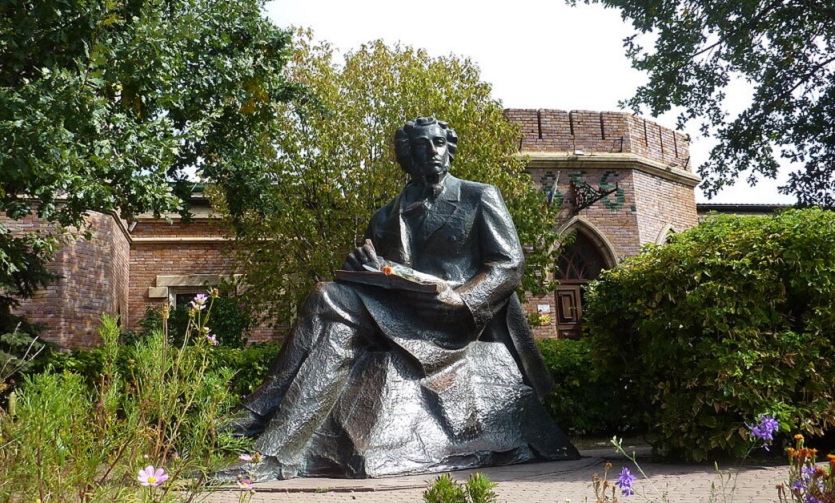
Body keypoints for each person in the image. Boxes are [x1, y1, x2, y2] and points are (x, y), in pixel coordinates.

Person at [229, 117, 577, 480]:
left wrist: (461, 299)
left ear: (449, 149)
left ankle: (259, 417)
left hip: (455, 322)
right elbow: (380, 277)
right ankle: (275, 454)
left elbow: (508, 265)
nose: (433, 151)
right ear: (408, 157)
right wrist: (362, 268)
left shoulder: (478, 196)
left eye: (439, 143)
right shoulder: (384, 217)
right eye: (422, 146)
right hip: (399, 317)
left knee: (326, 299)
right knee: (333, 318)